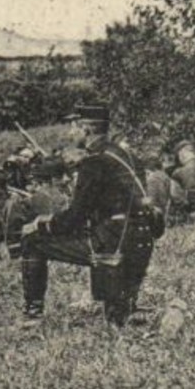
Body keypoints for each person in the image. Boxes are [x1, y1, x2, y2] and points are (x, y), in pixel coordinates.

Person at [19, 103, 161, 326]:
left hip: (113, 243)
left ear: (86, 129)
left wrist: (42, 224)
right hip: (141, 240)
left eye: (73, 127)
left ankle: (32, 314)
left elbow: (76, 217)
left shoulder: (94, 162)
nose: (70, 133)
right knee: (117, 318)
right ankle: (126, 303)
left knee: (32, 241)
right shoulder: (126, 156)